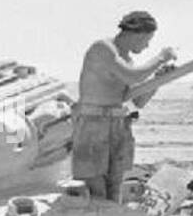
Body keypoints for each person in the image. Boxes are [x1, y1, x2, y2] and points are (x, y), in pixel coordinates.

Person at [71, 11, 177, 201]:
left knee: (114, 190)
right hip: (94, 126)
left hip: (118, 126)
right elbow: (131, 76)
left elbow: (139, 101)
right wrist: (161, 57)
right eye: (147, 40)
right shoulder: (103, 48)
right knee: (95, 190)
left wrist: (158, 80)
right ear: (137, 33)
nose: (147, 46)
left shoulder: (128, 60)